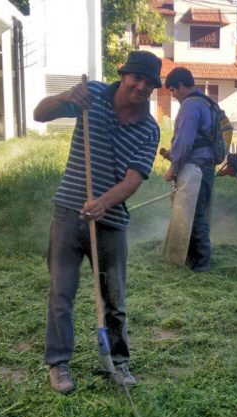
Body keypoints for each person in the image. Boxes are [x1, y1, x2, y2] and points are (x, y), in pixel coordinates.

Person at [33, 50, 162, 394]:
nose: (141, 85)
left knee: (114, 298)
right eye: (136, 77)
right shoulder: (91, 100)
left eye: (149, 82)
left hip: (112, 220)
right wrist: (64, 97)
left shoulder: (150, 129)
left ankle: (117, 362)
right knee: (61, 292)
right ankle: (58, 364)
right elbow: (39, 114)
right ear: (123, 74)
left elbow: (134, 178)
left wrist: (103, 203)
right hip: (67, 212)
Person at [163, 67, 217, 272]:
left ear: (180, 85)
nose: (173, 95)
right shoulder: (208, 103)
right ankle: (193, 259)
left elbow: (184, 142)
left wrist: (173, 168)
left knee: (193, 216)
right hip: (206, 167)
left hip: (195, 169)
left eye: (172, 91)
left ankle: (201, 264)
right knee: (197, 214)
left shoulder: (190, 105)